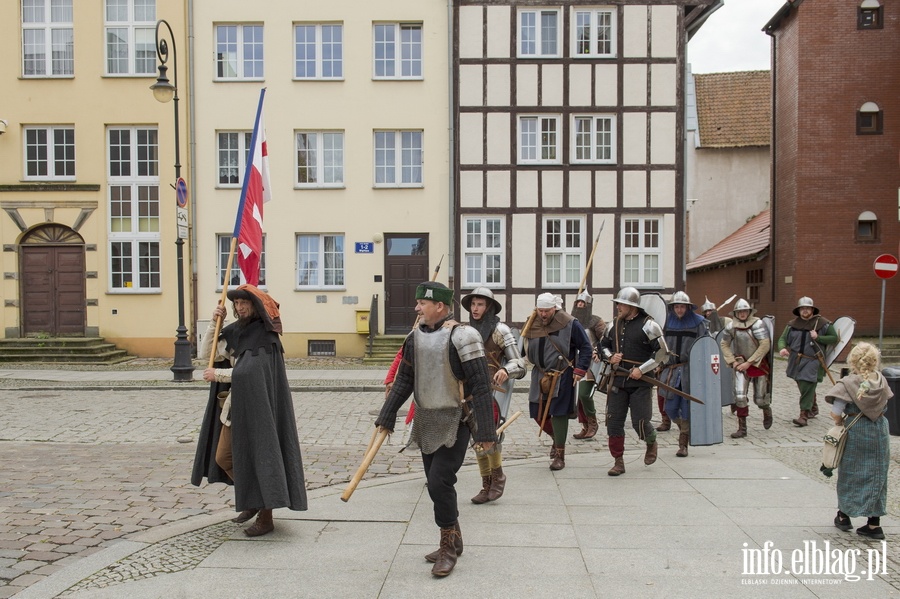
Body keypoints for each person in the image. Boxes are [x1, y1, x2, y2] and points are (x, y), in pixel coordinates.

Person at [374, 281, 497, 577]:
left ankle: (446, 545)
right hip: (427, 418)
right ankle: (454, 536)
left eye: (422, 303)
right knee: (433, 480)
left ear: (439, 307)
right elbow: (404, 380)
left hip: (457, 418)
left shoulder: (464, 336)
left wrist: (486, 434)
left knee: (441, 480)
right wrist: (386, 417)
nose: (416, 308)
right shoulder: (414, 338)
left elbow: (481, 386)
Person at [191, 285, 307, 537]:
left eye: (245, 303)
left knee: (260, 459)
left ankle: (266, 515)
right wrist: (215, 321)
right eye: (237, 304)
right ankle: (254, 498)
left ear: (255, 306)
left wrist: (217, 374)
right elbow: (206, 354)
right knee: (224, 457)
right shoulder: (236, 331)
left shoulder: (266, 338)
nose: (240, 307)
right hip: (235, 409)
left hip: (259, 411)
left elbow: (250, 372)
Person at [461, 287, 526, 504]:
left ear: (488, 307)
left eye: (480, 304)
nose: (475, 308)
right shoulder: (465, 331)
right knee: (475, 440)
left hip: (491, 392)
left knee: (489, 436)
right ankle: (486, 484)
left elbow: (519, 362)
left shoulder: (501, 330)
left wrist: (506, 370)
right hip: (469, 393)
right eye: (473, 304)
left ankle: (497, 476)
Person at [598, 287, 669, 476]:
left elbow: (661, 352)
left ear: (632, 306)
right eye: (618, 304)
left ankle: (651, 442)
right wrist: (610, 356)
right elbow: (602, 346)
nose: (618, 307)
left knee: (641, 422)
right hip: (618, 381)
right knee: (613, 423)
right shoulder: (612, 325)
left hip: (641, 382)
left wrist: (641, 369)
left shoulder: (649, 325)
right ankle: (618, 462)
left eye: (621, 304)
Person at [824, 342, 892, 540]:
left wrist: (839, 421)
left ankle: (844, 516)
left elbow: (836, 413)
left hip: (856, 431)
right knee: (877, 473)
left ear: (853, 360)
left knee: (851, 472)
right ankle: (873, 524)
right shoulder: (881, 381)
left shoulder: (847, 384)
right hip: (879, 430)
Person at [523, 293, 593, 471]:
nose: (543, 315)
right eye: (540, 311)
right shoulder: (532, 321)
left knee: (559, 412)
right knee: (538, 413)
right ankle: (557, 437)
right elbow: (522, 348)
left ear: (554, 308)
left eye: (547, 311)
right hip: (539, 374)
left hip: (562, 374)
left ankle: (560, 455)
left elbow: (585, 347)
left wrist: (580, 369)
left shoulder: (570, 323)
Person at [658, 292, 707, 457]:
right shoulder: (665, 323)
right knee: (670, 409)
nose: (679, 310)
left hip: (689, 371)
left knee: (686, 409)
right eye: (677, 306)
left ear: (687, 307)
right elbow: (659, 345)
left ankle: (683, 444)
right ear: (673, 308)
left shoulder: (699, 323)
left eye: (682, 306)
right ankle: (685, 430)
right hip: (671, 370)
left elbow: (705, 346)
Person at [777, 297, 839, 427]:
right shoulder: (792, 325)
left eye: (807, 308)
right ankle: (813, 407)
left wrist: (819, 337)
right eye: (802, 308)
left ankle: (803, 416)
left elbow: (834, 338)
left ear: (812, 309)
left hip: (813, 360)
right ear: (799, 310)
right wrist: (782, 348)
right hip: (795, 360)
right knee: (803, 385)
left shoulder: (823, 323)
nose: (805, 310)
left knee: (806, 384)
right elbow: (782, 339)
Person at [719, 299, 772, 438]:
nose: (742, 314)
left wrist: (749, 362)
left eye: (744, 311)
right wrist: (732, 362)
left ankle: (766, 410)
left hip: (758, 365)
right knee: (740, 397)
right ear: (735, 313)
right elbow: (724, 344)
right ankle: (742, 428)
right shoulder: (731, 326)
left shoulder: (758, 324)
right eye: (739, 311)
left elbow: (765, 345)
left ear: (749, 312)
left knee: (759, 399)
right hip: (739, 364)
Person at [571, 291, 607, 439]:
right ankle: (585, 426)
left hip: (591, 364)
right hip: (575, 362)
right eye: (578, 302)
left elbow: (606, 339)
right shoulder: (570, 321)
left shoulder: (596, 321)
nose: (580, 305)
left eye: (583, 303)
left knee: (584, 394)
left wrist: (598, 351)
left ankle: (593, 424)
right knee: (577, 398)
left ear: (588, 305)